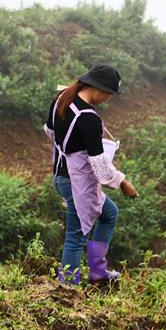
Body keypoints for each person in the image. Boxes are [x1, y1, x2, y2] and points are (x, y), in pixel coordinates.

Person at [44, 63, 138, 286]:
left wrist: (72, 149)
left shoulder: (62, 99)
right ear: (97, 87)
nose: (108, 99)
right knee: (75, 236)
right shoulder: (89, 118)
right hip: (76, 183)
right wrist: (122, 182)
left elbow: (49, 131)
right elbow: (99, 165)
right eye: (108, 93)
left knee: (109, 214)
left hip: (60, 175)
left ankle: (98, 272)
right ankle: (67, 286)